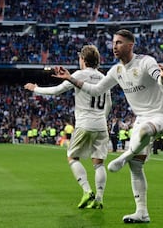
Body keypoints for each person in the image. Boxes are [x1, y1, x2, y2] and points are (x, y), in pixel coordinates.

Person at [50, 29, 163, 224]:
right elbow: (96, 89)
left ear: (130, 45)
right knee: (137, 166)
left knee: (142, 132)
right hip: (141, 117)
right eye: (114, 42)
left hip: (162, 115)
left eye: (119, 42)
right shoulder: (116, 71)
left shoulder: (145, 61)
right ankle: (142, 212)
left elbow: (161, 79)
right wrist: (70, 78)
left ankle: (125, 156)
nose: (114, 46)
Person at [24, 45, 112, 210]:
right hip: (101, 124)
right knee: (99, 163)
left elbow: (56, 91)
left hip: (85, 123)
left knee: (72, 157)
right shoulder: (104, 77)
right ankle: (99, 199)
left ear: (83, 59)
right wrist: (101, 118)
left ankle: (87, 191)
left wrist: (35, 88)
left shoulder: (79, 75)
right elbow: (109, 104)